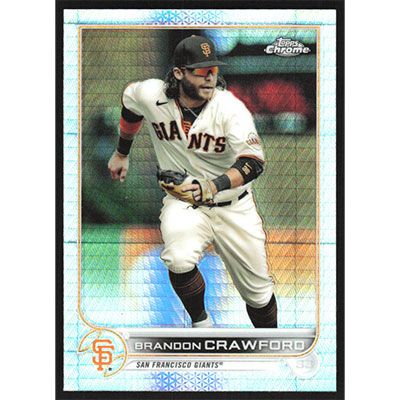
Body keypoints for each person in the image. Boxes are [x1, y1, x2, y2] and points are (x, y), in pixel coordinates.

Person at [108, 35, 277, 328]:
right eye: (201, 70)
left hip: (232, 205)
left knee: (258, 294)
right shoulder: (152, 95)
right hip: (184, 202)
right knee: (178, 258)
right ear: (178, 73)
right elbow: (130, 104)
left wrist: (213, 186)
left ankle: (273, 343)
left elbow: (253, 162)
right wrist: (122, 152)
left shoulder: (229, 108)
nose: (210, 76)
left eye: (213, 69)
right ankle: (201, 324)